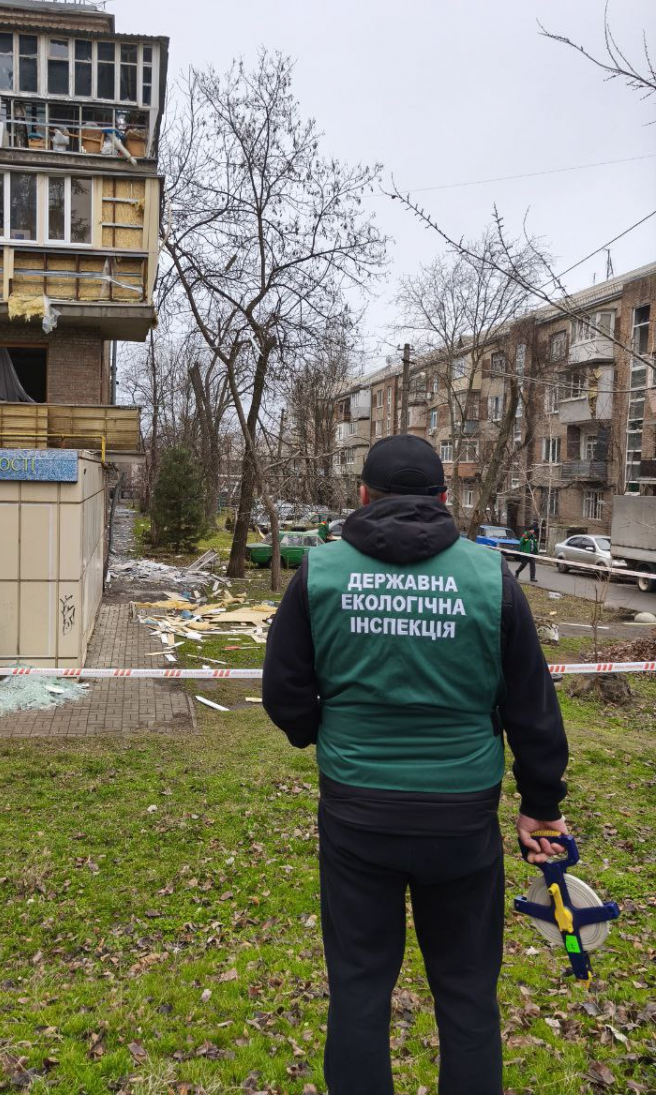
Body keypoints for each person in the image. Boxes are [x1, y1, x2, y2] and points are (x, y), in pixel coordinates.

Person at [262, 435, 569, 1095]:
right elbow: (533, 706)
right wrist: (541, 803)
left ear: (363, 496)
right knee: (466, 998)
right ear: (445, 499)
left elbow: (283, 694)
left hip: (357, 819)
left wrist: (325, 735)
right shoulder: (491, 580)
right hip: (462, 825)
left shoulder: (320, 573)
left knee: (359, 994)